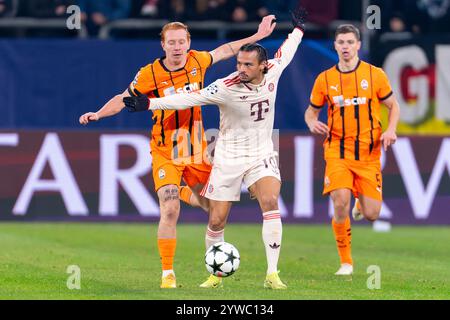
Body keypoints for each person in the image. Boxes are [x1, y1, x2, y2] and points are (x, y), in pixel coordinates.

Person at [79, 17, 276, 289]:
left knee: (213, 209)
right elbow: (124, 97)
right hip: (166, 150)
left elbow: (227, 50)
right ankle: (168, 274)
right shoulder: (149, 73)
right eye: (171, 42)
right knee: (169, 208)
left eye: (182, 41)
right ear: (163, 45)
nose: (177, 47)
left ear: (189, 43)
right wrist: (99, 113)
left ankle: (183, 191)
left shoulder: (197, 61)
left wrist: (257, 35)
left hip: (195, 150)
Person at [123, 5, 308, 289]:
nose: (241, 69)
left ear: (262, 65)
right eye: (239, 64)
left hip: (261, 154)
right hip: (228, 157)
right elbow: (188, 99)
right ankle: (215, 274)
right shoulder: (224, 86)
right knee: (217, 218)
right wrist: (150, 103)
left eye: (247, 65)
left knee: (270, 201)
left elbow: (288, 50)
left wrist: (298, 29)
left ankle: (272, 274)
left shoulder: (274, 71)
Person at [304, 24, 400, 275]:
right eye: (341, 42)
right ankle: (346, 261)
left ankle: (361, 202)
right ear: (335, 46)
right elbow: (311, 111)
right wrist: (311, 122)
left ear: (358, 45)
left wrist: (390, 130)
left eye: (350, 42)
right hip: (337, 152)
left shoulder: (375, 74)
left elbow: (393, 105)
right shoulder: (324, 79)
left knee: (371, 214)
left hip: (368, 155)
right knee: (340, 203)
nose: (345, 47)